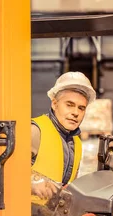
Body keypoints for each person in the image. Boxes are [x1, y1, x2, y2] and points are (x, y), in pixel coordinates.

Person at [31, 71, 96, 200]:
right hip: (26, 215)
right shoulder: (35, 131)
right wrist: (31, 182)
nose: (75, 113)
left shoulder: (76, 142)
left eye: (81, 108)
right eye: (69, 105)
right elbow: (9, 172)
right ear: (54, 104)